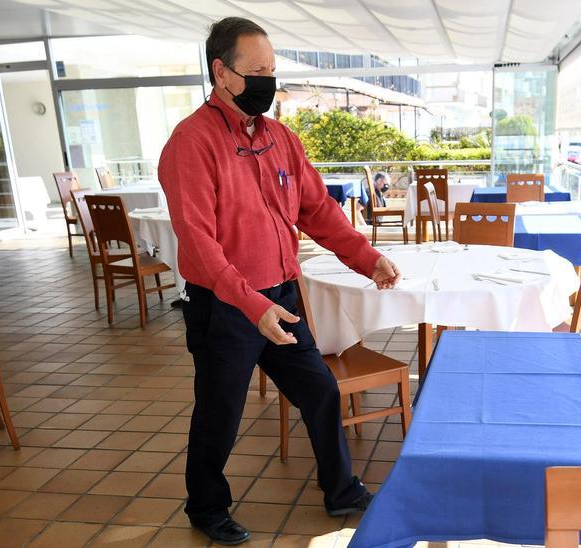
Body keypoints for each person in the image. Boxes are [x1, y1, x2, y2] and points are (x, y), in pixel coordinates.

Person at [157, 17, 401, 545]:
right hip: (226, 306)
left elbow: (317, 210)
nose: (269, 80)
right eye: (258, 71)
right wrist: (249, 303)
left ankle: (341, 489)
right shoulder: (190, 143)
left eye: (273, 69)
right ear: (222, 73)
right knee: (220, 413)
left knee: (319, 392)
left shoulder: (279, 139)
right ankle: (205, 506)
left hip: (282, 297)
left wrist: (366, 256)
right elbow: (197, 241)